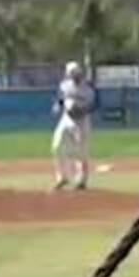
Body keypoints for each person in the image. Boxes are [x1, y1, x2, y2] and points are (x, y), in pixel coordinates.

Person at [52, 61, 96, 190]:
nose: (74, 76)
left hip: (82, 120)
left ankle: (82, 180)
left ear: (80, 73)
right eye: (71, 74)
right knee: (57, 145)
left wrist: (81, 110)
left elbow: (94, 104)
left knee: (81, 151)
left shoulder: (88, 87)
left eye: (75, 73)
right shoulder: (65, 85)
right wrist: (57, 105)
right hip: (66, 119)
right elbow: (61, 97)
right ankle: (62, 177)